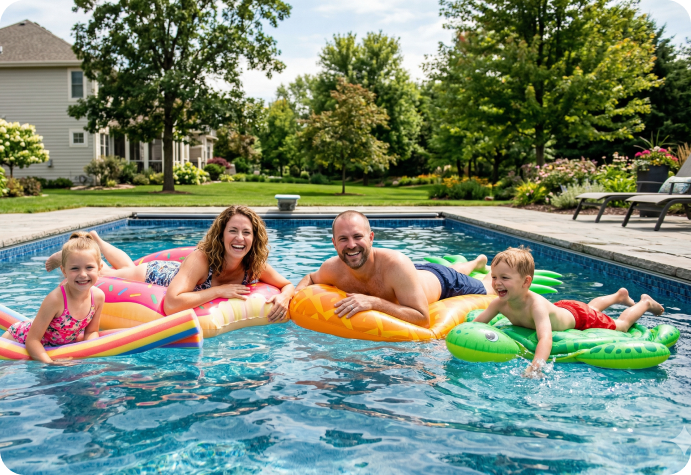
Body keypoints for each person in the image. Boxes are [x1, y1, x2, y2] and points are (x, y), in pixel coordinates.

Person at [44, 206, 294, 322]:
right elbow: (173, 303)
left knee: (122, 267)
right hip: (160, 275)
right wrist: (218, 291)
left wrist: (284, 297)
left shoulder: (254, 264)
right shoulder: (202, 258)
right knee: (111, 273)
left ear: (255, 237)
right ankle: (74, 252)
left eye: (246, 232)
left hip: (185, 281)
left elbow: (287, 285)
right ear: (221, 234)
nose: (240, 238)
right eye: (233, 231)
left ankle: (96, 239)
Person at [472, 246, 664, 378]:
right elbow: (476, 326)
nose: (497, 283)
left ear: (526, 282)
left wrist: (536, 366)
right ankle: (619, 296)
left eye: (504, 278)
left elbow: (545, 338)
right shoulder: (499, 303)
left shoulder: (536, 306)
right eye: (494, 276)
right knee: (593, 308)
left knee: (620, 326)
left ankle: (644, 303)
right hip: (564, 308)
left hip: (579, 317)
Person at [294, 210, 493, 328]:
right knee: (456, 269)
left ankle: (484, 266)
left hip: (443, 281)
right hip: (413, 274)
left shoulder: (395, 265)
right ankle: (476, 262)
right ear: (334, 243)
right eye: (343, 239)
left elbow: (423, 319)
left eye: (358, 237)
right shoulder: (332, 268)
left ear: (371, 238)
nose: (351, 245)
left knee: (489, 288)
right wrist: (292, 296)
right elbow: (310, 278)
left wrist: (374, 303)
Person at [2, 232, 105, 364]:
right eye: (75, 268)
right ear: (64, 271)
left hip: (53, 346)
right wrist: (50, 363)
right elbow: (32, 340)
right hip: (18, 342)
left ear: (99, 268)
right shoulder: (56, 299)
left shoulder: (97, 297)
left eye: (89, 267)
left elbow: (91, 331)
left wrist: (89, 354)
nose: (83, 274)